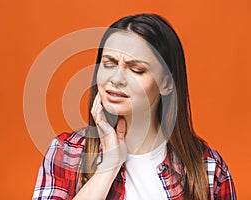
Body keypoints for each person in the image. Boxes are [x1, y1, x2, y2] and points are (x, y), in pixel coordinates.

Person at [32, 13, 236, 200]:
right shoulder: (66, 152)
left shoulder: (208, 167)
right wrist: (108, 166)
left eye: (136, 70)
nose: (117, 79)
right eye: (109, 64)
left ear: (165, 84)